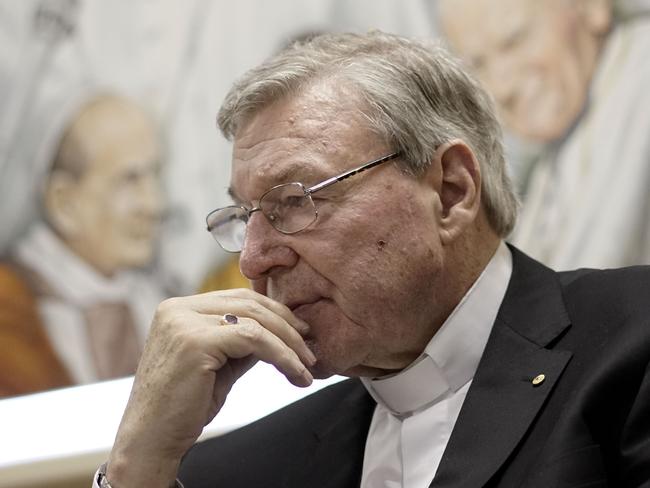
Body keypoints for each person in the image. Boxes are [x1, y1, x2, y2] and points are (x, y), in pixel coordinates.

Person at [94, 32, 650, 487]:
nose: (256, 260)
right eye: (245, 217)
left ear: (451, 191)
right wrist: (135, 465)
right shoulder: (239, 470)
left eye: (294, 200)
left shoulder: (633, 343)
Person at [438, 0, 650, 270]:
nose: (501, 87)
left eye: (514, 39)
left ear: (592, 6)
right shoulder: (558, 155)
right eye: (477, 64)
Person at [0, 94, 166, 396]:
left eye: (154, 175)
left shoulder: (148, 300)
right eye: (129, 180)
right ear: (64, 202)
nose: (154, 205)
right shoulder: (9, 307)